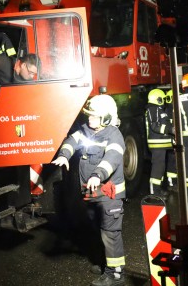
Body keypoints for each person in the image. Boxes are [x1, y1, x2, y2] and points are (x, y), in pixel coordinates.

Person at [52, 94, 126, 286]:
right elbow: (71, 141)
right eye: (89, 116)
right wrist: (64, 155)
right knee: (97, 229)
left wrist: (97, 175)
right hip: (92, 194)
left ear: (107, 118)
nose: (89, 119)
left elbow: (112, 158)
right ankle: (104, 263)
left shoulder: (114, 135)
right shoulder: (87, 130)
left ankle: (115, 274)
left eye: (94, 116)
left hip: (109, 195)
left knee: (110, 233)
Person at [145, 88, 175, 198]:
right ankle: (154, 193)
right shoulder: (153, 109)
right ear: (158, 99)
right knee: (158, 167)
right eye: (162, 99)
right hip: (156, 143)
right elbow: (154, 126)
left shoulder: (156, 109)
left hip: (160, 143)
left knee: (160, 167)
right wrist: (170, 130)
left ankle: (158, 189)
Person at [164, 89, 178, 189]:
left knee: (172, 162)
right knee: (173, 162)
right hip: (173, 140)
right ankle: (173, 183)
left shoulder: (167, 110)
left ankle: (172, 182)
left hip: (170, 141)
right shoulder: (173, 110)